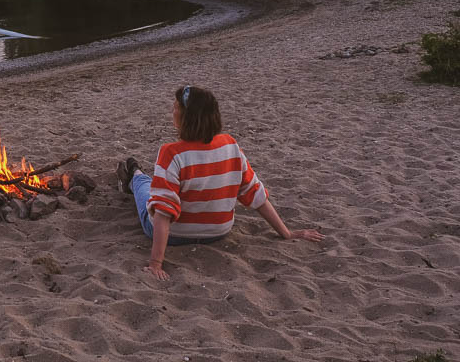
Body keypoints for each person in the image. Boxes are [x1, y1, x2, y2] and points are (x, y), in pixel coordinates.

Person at [116, 85, 324, 281]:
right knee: (161, 190)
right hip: (219, 231)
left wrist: (156, 263)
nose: (172, 110)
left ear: (188, 118)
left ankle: (134, 175)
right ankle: (138, 176)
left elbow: (163, 213)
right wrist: (287, 233)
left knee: (146, 192)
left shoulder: (171, 153)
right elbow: (255, 194)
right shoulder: (231, 146)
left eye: (176, 107)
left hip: (176, 235)